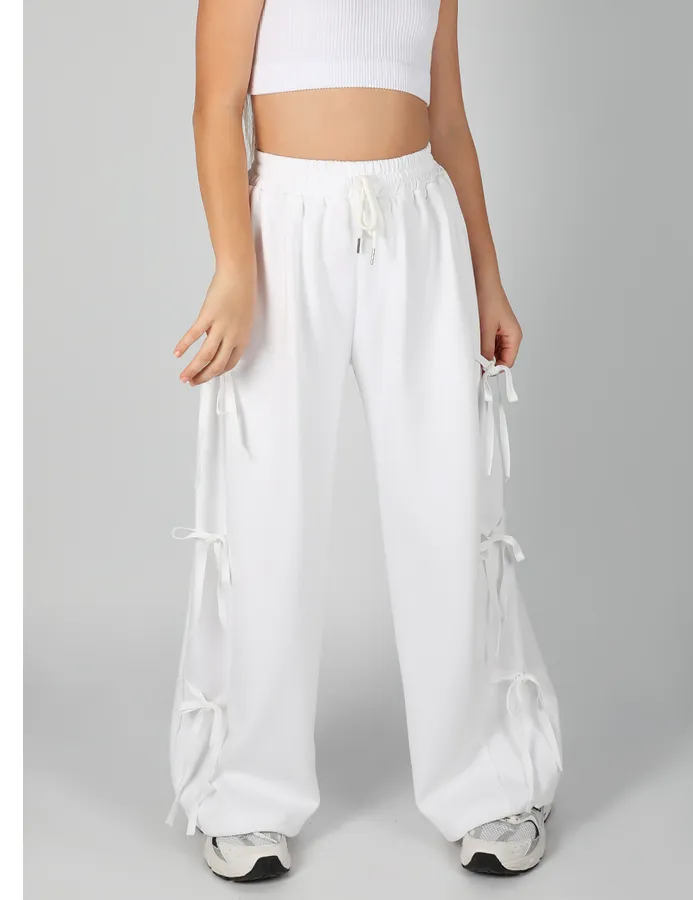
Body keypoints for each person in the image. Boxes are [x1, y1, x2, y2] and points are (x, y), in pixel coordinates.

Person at [167, 0, 562, 883]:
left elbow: (448, 121)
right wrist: (234, 268)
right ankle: (248, 793)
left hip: (418, 222)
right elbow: (215, 106)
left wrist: (488, 278)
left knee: (446, 505)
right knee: (270, 511)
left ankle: (485, 782)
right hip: (284, 230)